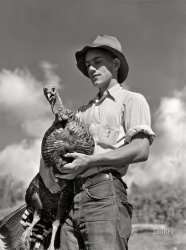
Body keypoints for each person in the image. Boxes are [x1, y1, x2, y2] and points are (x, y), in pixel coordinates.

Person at [39, 34, 155, 249]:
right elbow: (66, 135)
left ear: (116, 63)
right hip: (70, 199)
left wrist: (90, 162)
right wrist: (56, 106)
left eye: (97, 62)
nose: (91, 69)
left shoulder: (131, 100)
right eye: (88, 65)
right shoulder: (83, 112)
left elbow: (141, 149)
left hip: (104, 194)